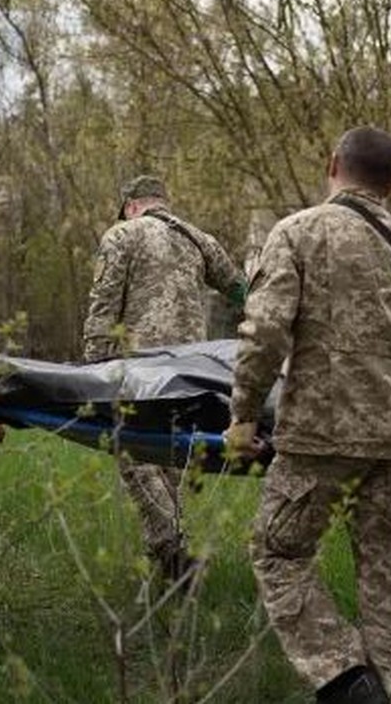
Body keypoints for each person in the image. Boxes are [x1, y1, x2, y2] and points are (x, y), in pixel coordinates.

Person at [225, 127, 391, 704]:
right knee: (388, 595)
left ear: (333, 163)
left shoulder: (297, 232)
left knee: (277, 552)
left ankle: (346, 681)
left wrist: (243, 416)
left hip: (318, 439)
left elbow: (264, 331)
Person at [82, 173, 247, 583]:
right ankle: (170, 573)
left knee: (133, 453)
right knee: (169, 456)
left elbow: (103, 305)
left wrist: (92, 371)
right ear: (163, 202)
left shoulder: (122, 235)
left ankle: (171, 551)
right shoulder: (198, 239)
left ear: (131, 206)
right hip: (193, 369)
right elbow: (240, 288)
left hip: (141, 367)